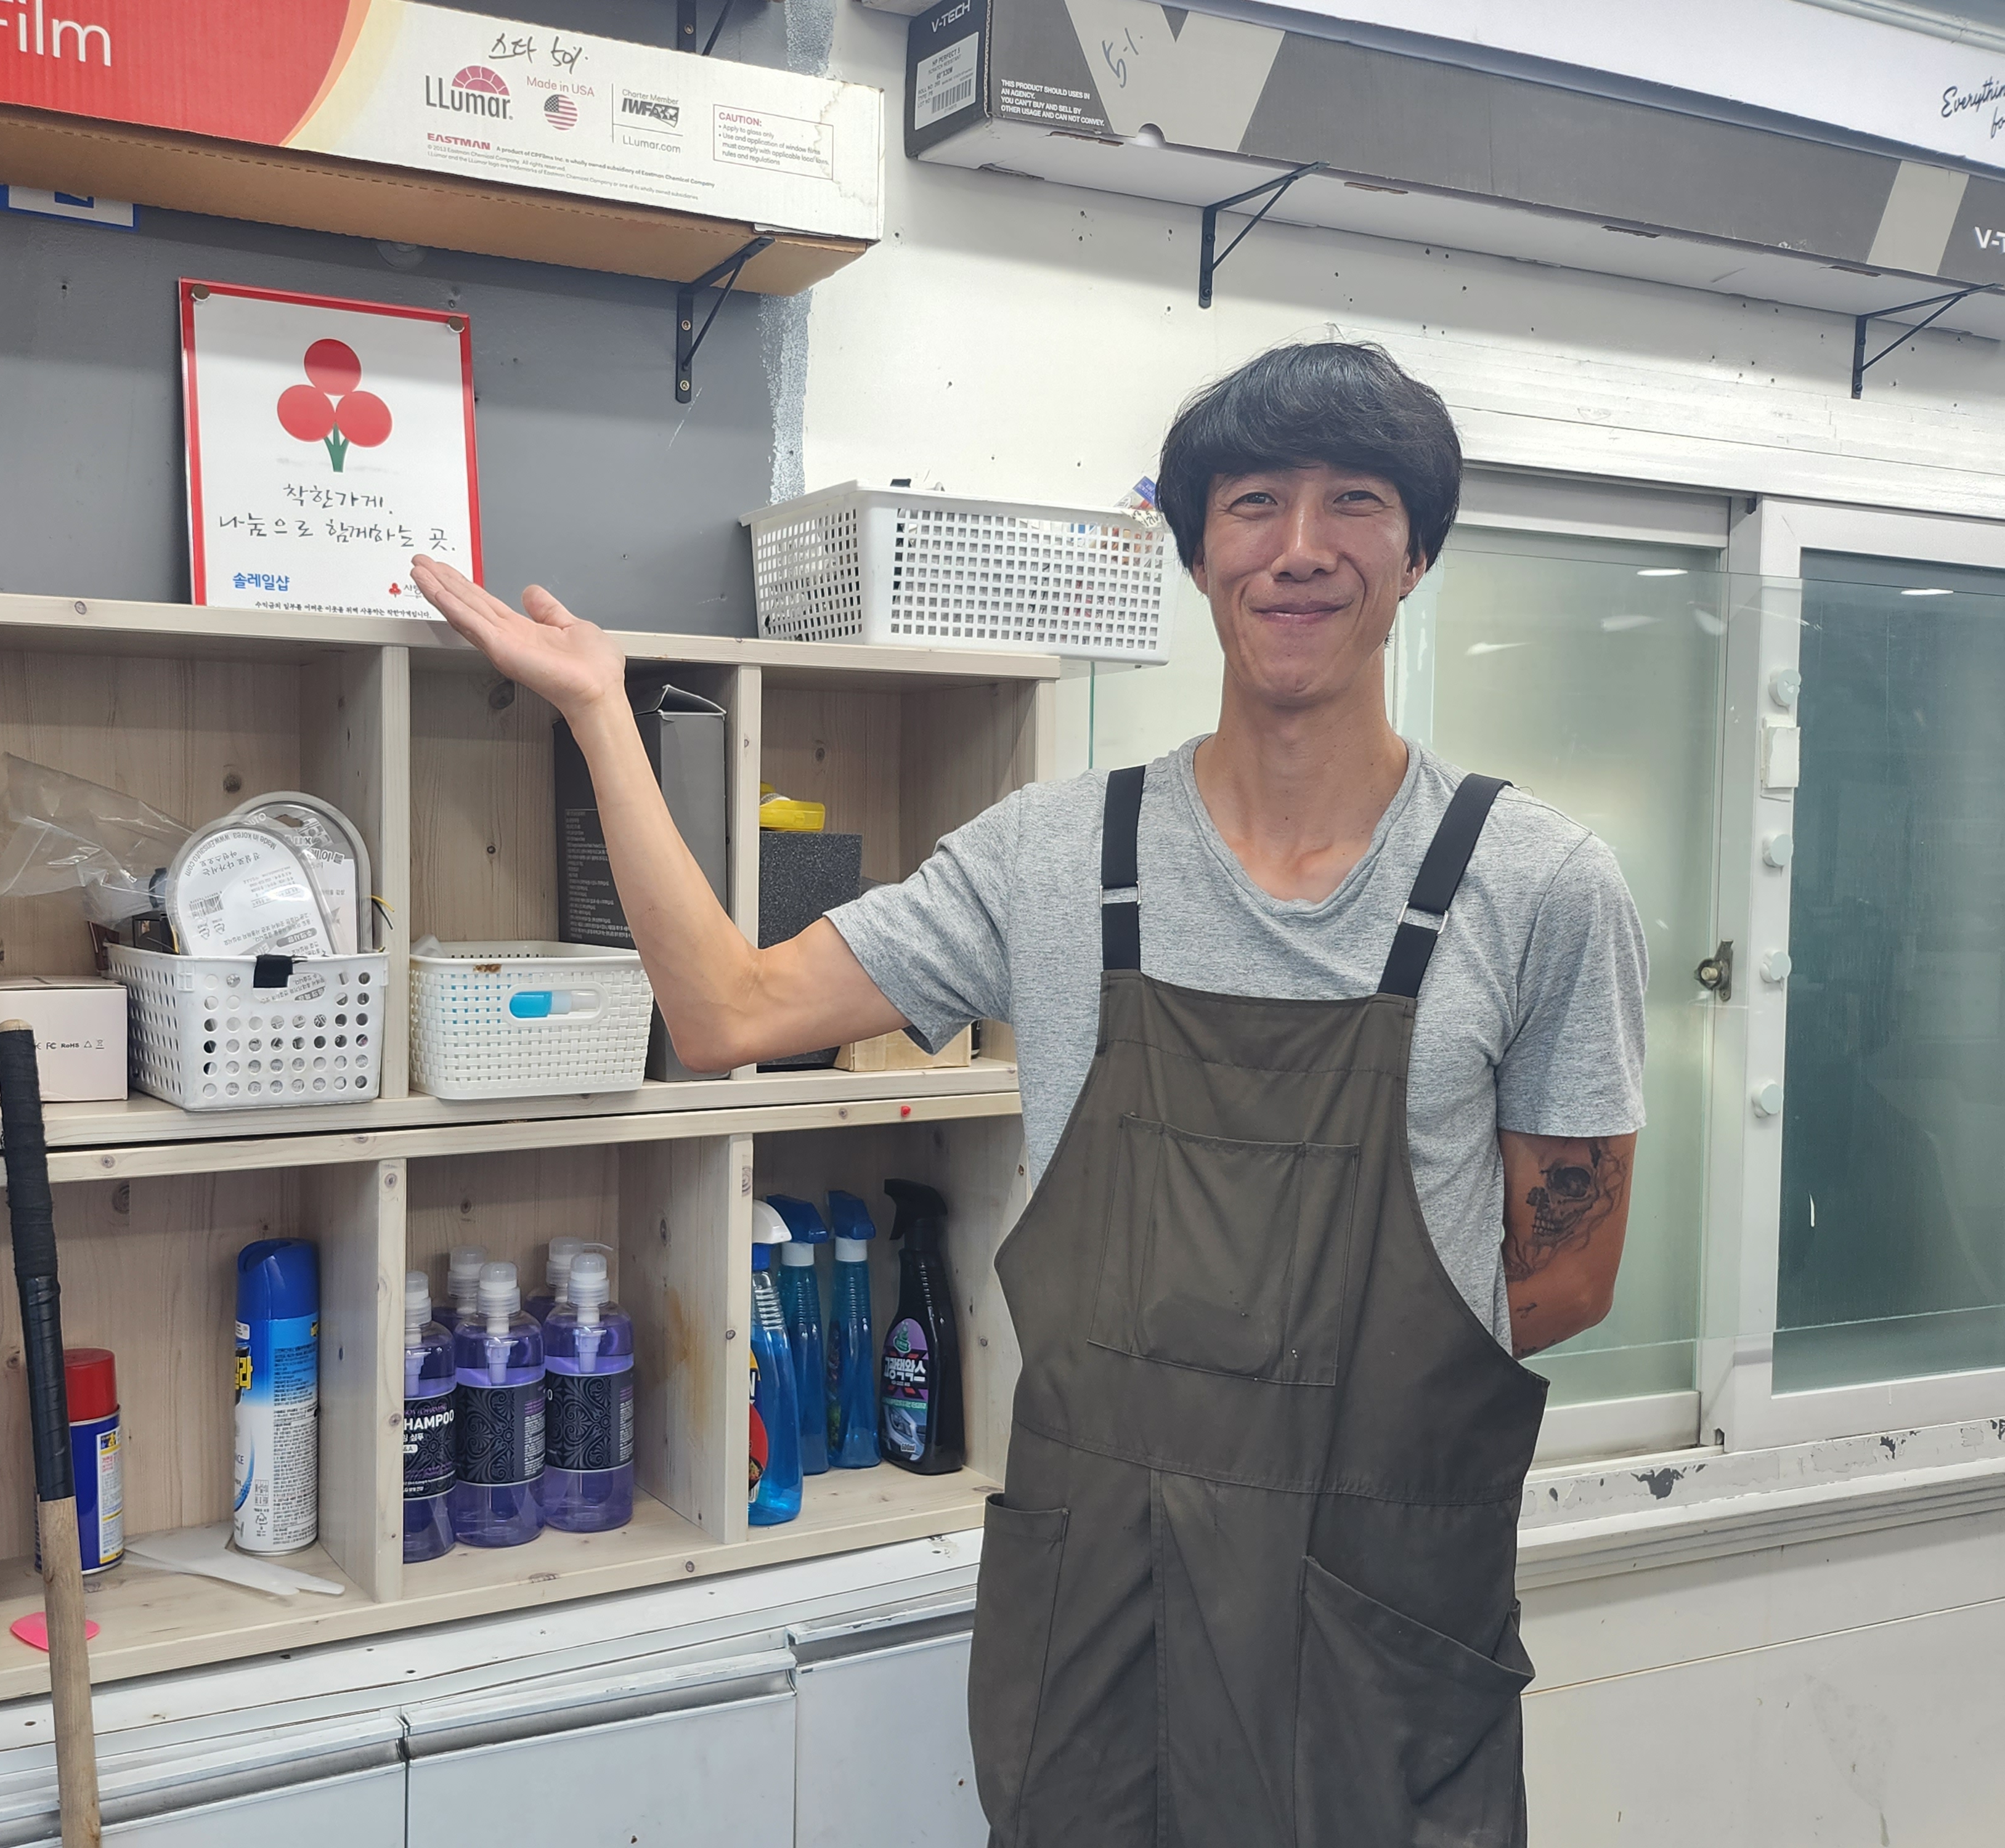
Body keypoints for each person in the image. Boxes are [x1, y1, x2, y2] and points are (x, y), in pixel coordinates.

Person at [412, 340, 1646, 1847]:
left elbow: (1562, 1276)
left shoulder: (1538, 888)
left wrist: (1308, 1429)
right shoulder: (1052, 857)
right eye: (1252, 502)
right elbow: (728, 1013)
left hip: (1377, 1609)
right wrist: (602, 713)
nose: (1299, 547)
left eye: (1354, 502)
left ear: (1416, 555)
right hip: (1100, 1601)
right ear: (1195, 552)